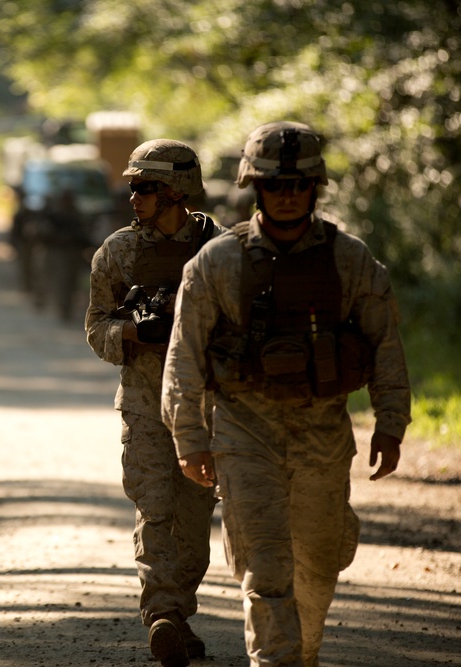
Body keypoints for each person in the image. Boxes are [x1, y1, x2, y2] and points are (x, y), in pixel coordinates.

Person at [161, 121, 412, 667]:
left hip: (322, 434)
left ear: (316, 187)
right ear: (256, 187)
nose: (289, 195)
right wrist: (190, 438)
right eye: (276, 185)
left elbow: (385, 344)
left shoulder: (351, 260)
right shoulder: (217, 262)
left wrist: (391, 423)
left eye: (300, 185)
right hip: (243, 433)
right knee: (267, 566)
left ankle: (303, 654)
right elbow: (183, 356)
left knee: (318, 570)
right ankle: (274, 659)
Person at [85, 139, 222, 667]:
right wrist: (133, 333)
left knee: (194, 515)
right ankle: (162, 612)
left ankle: (178, 612)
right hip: (144, 400)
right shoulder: (118, 252)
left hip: (206, 404)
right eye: (132, 186)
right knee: (154, 505)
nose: (133, 197)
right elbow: (95, 328)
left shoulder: (222, 251)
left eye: (145, 187)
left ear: (177, 191)